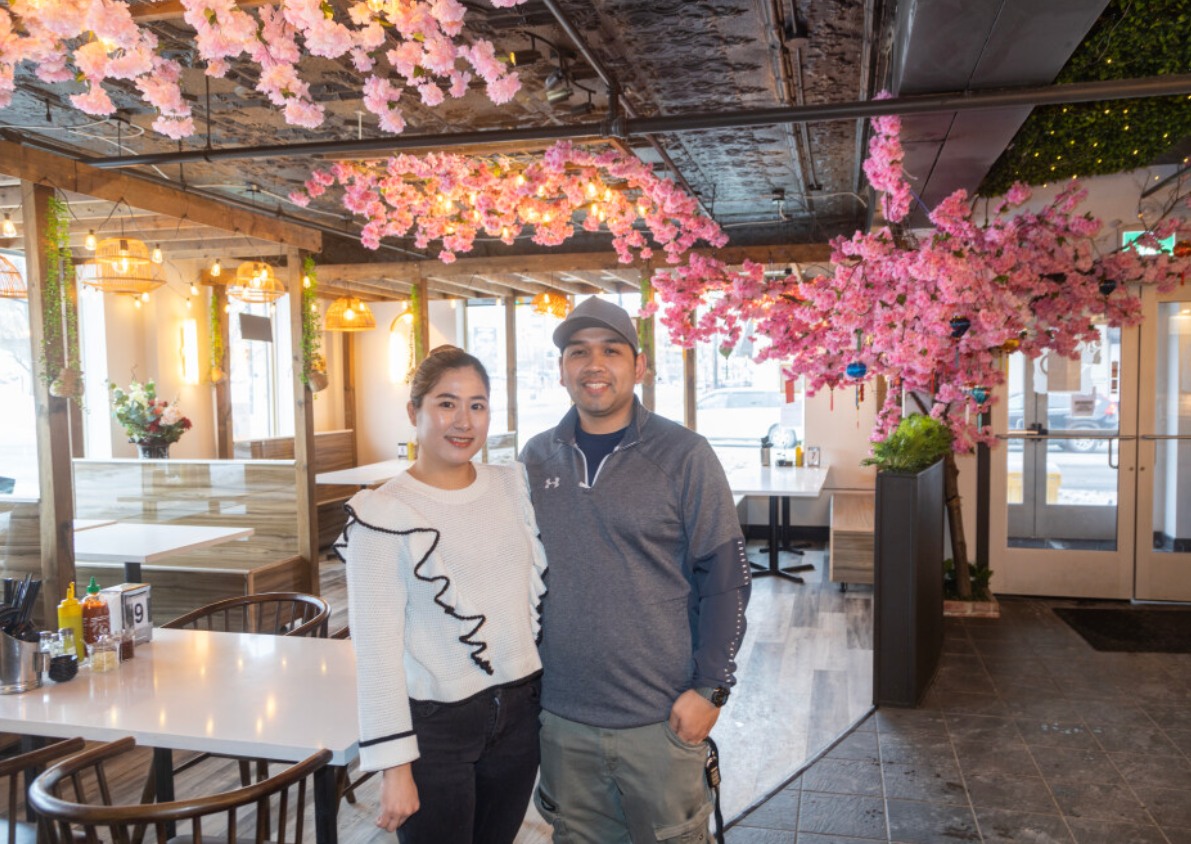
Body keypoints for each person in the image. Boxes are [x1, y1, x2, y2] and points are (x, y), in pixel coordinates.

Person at [520, 298, 752, 844]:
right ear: (561, 370)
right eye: (578, 352)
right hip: (562, 719)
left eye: (611, 351)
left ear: (640, 366)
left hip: (662, 719)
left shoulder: (684, 455)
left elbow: (726, 579)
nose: (593, 364)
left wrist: (712, 689)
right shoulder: (536, 457)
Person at [338, 346, 548, 844]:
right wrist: (395, 767)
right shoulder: (381, 513)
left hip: (520, 715)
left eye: (477, 405)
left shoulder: (512, 485)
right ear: (414, 411)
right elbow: (376, 652)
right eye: (446, 403)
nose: (463, 421)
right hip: (436, 729)